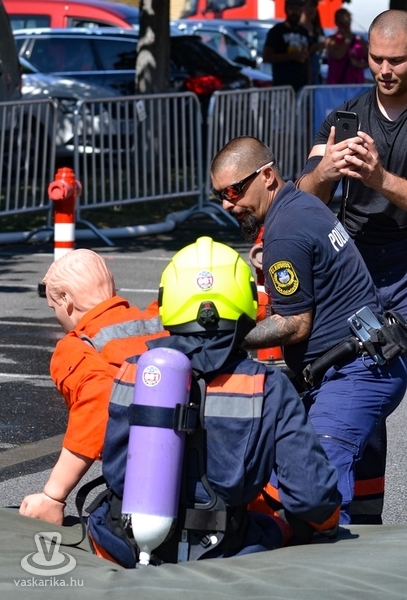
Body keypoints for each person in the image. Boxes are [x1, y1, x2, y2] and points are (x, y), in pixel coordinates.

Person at [87, 236, 341, 567]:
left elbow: (115, 466)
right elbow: (311, 494)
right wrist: (327, 523)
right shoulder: (267, 386)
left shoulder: (134, 372)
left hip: (124, 545)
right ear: (247, 299)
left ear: (166, 301)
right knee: (278, 527)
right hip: (223, 553)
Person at [210, 135, 407, 524]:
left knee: (320, 489)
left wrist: (229, 337)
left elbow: (295, 325)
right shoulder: (302, 204)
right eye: (220, 195)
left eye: (234, 191)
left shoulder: (286, 229)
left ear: (266, 176)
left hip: (356, 372)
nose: (227, 204)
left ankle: (331, 558)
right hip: (361, 360)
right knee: (298, 474)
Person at [297, 9, 407, 521]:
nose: (385, 70)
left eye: (397, 60)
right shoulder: (346, 116)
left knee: (376, 382)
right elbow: (303, 197)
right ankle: (363, 515)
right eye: (377, 59)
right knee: (356, 384)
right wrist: (325, 171)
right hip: (354, 269)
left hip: (403, 266)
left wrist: (379, 178)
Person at [19, 249, 167, 525]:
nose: (57, 317)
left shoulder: (76, 347)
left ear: (66, 300)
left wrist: (53, 496)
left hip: (146, 482)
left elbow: (99, 402)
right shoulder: (158, 318)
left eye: (54, 308)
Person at [262, 0, 311, 92]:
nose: (295, 12)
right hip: (282, 85)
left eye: (298, 9)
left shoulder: (304, 32)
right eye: (292, 8)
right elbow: (266, 57)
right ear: (286, 9)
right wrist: (291, 56)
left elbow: (307, 59)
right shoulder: (276, 31)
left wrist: (309, 81)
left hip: (301, 85)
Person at [325, 8, 368, 85]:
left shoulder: (359, 40)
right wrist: (347, 40)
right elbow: (338, 55)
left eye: (347, 21)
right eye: (341, 22)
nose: (345, 25)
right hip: (337, 84)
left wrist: (359, 64)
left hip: (356, 84)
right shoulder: (331, 40)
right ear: (336, 23)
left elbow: (370, 60)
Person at [300, 0, 325, 85]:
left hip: (316, 72)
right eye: (310, 6)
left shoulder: (316, 29)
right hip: (302, 75)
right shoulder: (297, 29)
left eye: (314, 6)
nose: (312, 10)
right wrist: (312, 48)